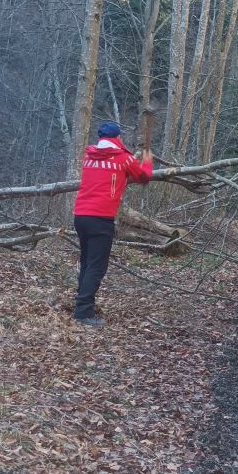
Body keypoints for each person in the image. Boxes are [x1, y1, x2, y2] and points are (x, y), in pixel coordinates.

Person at [71, 122, 153, 326]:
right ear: (118, 138)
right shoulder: (123, 158)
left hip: (80, 216)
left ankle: (82, 303)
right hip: (101, 218)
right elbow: (144, 177)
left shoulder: (89, 156)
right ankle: (83, 312)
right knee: (97, 266)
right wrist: (147, 160)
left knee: (87, 261)